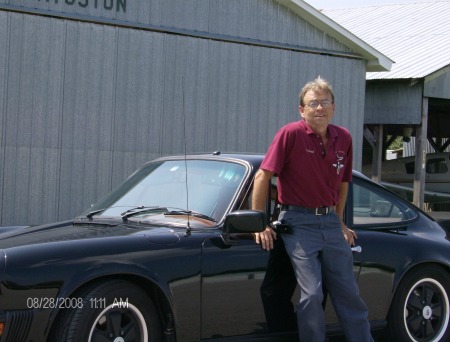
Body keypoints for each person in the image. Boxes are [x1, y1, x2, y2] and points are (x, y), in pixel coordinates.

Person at [252, 77, 373, 341]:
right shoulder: (290, 134)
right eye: (313, 103)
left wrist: (339, 221)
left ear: (334, 107)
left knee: (348, 293)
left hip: (330, 222)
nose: (319, 108)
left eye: (325, 102)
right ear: (302, 110)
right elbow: (262, 176)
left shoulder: (344, 137)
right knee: (312, 294)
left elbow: (343, 182)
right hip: (297, 222)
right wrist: (259, 223)